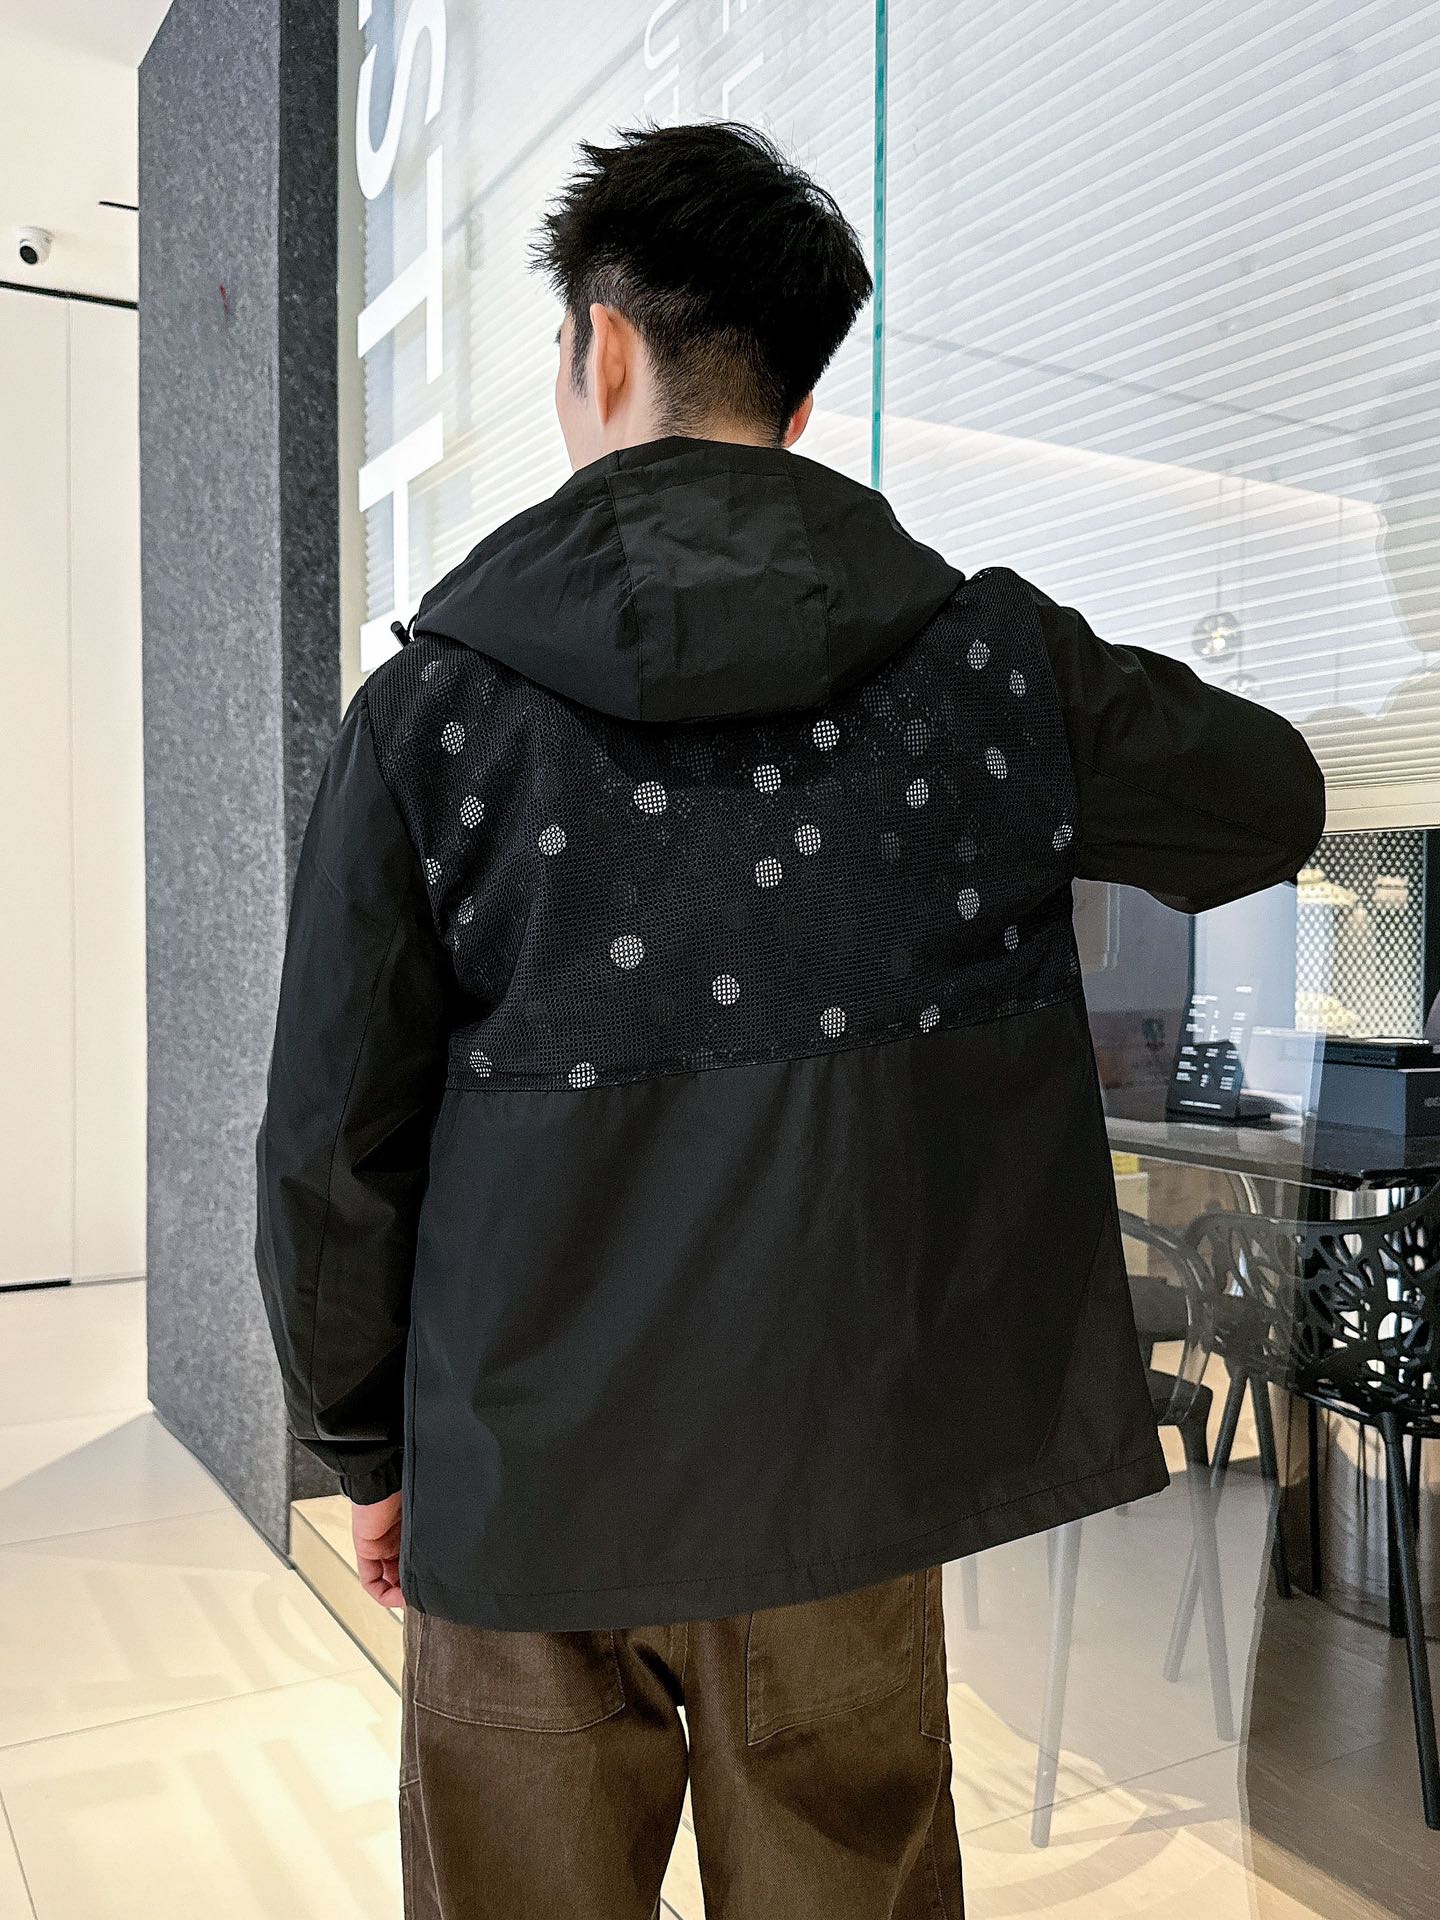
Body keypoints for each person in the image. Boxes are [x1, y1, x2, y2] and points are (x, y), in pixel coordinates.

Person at [254, 121, 1326, 1920]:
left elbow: (328, 1138)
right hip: (841, 1470)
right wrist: (1025, 720)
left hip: (523, 1481)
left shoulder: (432, 712)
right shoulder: (980, 666)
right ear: (803, 400)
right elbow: (1268, 800)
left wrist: (365, 1447)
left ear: (602, 347)